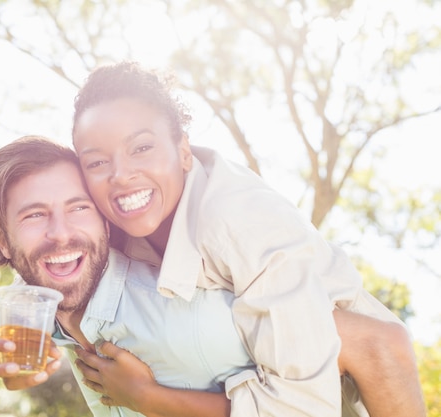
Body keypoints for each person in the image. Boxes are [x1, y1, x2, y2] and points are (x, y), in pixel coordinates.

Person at [69, 61, 426, 417]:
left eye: (141, 148)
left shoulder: (241, 221)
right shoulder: (103, 225)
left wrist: (149, 398)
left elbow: (304, 408)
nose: (121, 174)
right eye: (97, 163)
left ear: (183, 150)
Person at [0, 135, 259, 416]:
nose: (61, 233)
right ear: (3, 241)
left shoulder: (187, 312)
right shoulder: (45, 312)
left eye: (79, 207)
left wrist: (150, 399)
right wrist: (18, 369)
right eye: (34, 215)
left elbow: (295, 406)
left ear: (106, 225)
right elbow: (28, 278)